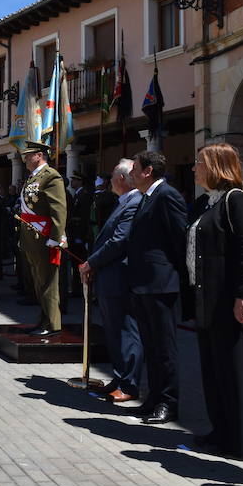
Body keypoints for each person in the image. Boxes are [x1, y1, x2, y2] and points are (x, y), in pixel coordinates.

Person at [185, 143, 243, 460]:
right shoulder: (206, 202)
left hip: (230, 303)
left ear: (217, 166)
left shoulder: (236, 200)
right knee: (213, 373)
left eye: (199, 163)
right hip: (208, 302)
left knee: (234, 374)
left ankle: (240, 442)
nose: (194, 168)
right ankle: (221, 432)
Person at [126, 150, 188, 425]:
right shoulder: (147, 197)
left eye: (135, 168)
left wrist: (174, 276)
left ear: (148, 170)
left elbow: (179, 239)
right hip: (144, 285)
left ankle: (168, 402)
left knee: (164, 348)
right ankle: (152, 398)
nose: (131, 174)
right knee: (151, 346)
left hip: (161, 285)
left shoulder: (167, 195)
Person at [79, 158, 143, 403]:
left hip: (120, 277)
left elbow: (119, 241)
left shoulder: (134, 202)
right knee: (114, 332)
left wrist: (91, 263)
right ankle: (119, 377)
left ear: (120, 180)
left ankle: (129, 384)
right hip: (110, 277)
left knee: (127, 332)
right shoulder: (124, 201)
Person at [17, 141, 67, 336]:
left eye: (28, 155)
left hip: (45, 236)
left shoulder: (51, 176)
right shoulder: (32, 177)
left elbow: (59, 210)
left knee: (48, 282)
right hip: (32, 237)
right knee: (39, 282)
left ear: (39, 155)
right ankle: (43, 319)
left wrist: (55, 238)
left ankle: (52, 324)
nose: (25, 159)